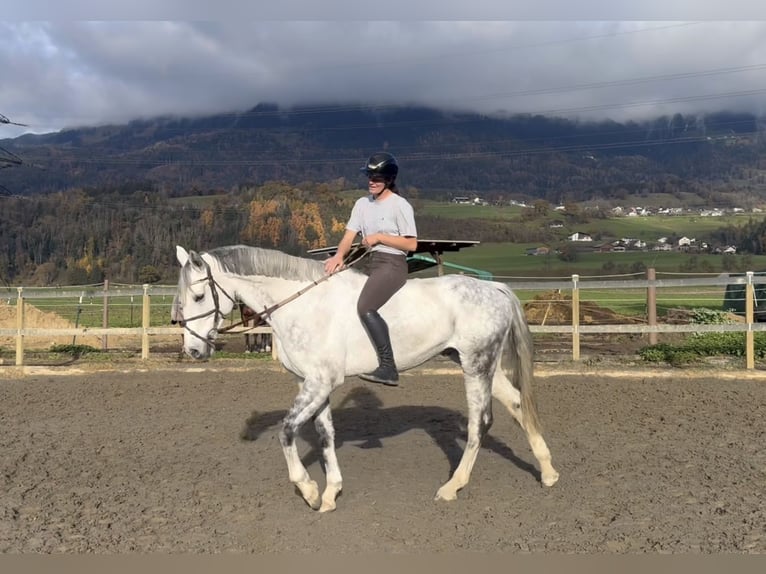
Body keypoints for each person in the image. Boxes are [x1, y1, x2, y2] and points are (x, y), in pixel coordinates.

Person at [324, 152, 418, 386]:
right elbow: (349, 236)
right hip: (372, 263)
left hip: (393, 264)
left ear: (389, 179)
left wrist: (379, 237)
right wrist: (338, 256)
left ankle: (388, 366)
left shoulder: (400, 206)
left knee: (365, 306)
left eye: (376, 177)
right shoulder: (361, 204)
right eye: (369, 176)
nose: (371, 181)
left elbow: (411, 244)